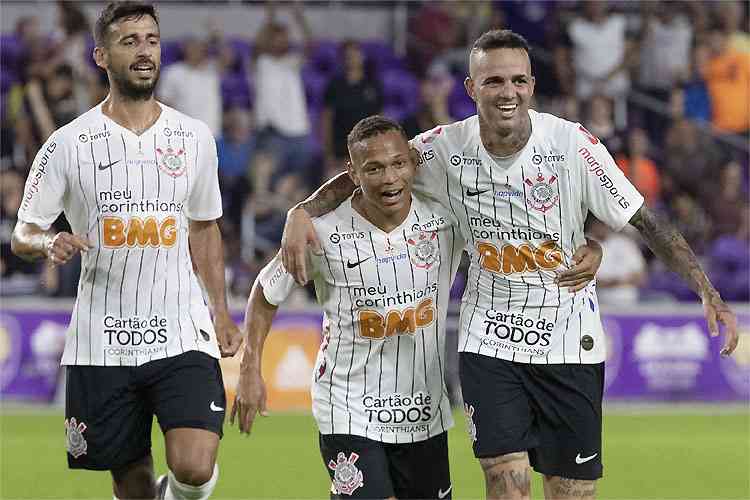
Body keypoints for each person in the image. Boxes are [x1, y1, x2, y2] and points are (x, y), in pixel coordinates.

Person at [280, 30, 739, 500]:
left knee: (571, 491)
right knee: (505, 481)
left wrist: (707, 290)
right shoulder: (442, 148)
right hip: (490, 338)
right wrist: (302, 211)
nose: (507, 91)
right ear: (471, 88)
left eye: (518, 80)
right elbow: (370, 167)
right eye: (494, 80)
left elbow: (645, 220)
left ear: (532, 85)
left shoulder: (571, 144)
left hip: (569, 340)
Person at [232, 115, 602, 499]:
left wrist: (591, 245)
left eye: (397, 164)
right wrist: (248, 367)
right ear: (353, 174)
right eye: (373, 169)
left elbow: (519, 231)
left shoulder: (447, 220)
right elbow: (265, 292)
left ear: (412, 162)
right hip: (348, 409)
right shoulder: (321, 233)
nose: (389, 178)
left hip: (424, 415)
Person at [10, 3, 242, 499]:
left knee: (195, 467)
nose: (144, 51)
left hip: (182, 330)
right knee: (133, 487)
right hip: (102, 339)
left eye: (151, 40)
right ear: (101, 55)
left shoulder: (194, 137)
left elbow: (205, 228)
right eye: (129, 41)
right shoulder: (67, 144)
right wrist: (50, 241)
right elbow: (22, 232)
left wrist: (221, 310)